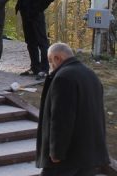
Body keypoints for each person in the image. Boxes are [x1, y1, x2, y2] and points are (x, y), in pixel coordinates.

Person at [36, 43, 109, 175]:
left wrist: (56, 152)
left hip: (68, 156)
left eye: (50, 60)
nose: (50, 65)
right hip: (88, 153)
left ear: (57, 58)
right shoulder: (90, 74)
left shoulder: (63, 77)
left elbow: (61, 119)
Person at [15, 0, 55, 80]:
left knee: (41, 41)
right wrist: (19, 5)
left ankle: (44, 68)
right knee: (30, 41)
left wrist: (39, 8)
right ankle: (34, 66)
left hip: (36, 13)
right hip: (25, 13)